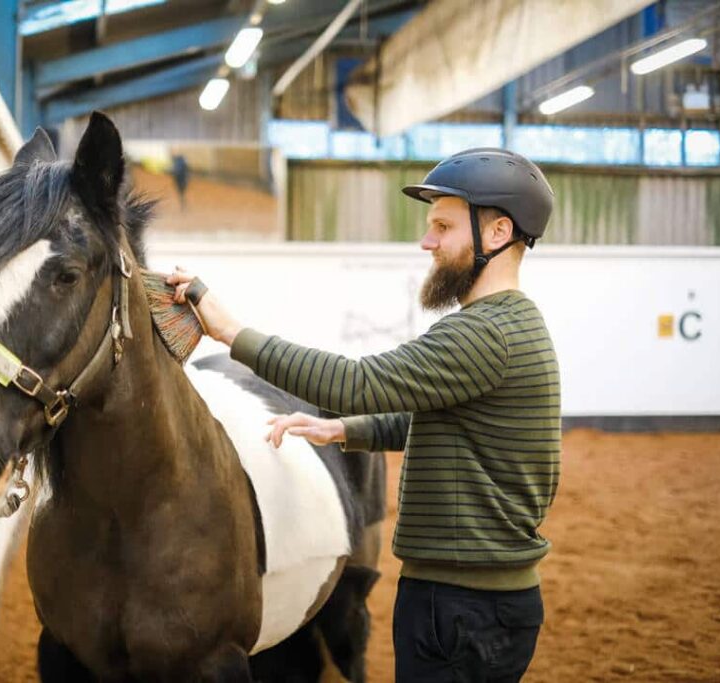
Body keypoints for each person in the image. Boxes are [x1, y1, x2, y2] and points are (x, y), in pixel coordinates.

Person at [168, 148, 561, 682]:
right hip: (471, 600)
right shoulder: (509, 325)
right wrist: (342, 429)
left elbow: (358, 383)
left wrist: (232, 333)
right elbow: (438, 420)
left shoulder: (483, 333)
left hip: (463, 607)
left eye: (442, 227)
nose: (428, 242)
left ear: (497, 234)